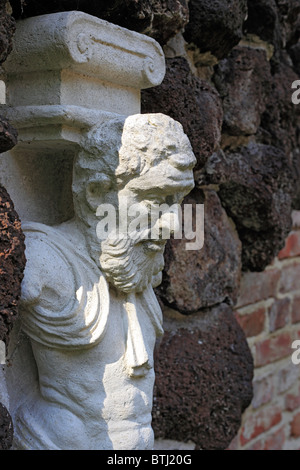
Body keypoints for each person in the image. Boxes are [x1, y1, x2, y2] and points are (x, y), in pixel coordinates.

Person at [14, 113, 196, 450]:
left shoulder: (138, 264)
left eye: (178, 200)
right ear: (98, 195)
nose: (173, 223)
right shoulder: (45, 260)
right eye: (157, 199)